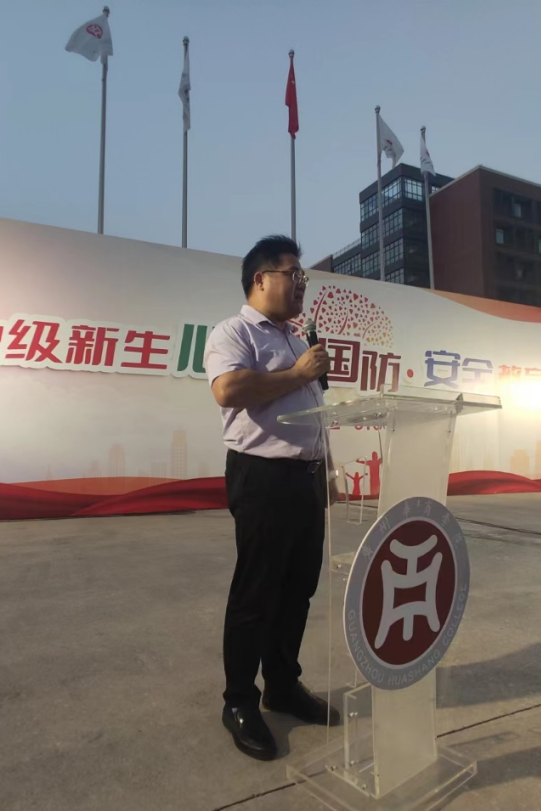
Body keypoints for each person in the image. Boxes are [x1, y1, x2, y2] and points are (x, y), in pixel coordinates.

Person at [204, 235, 338, 761]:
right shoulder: (233, 332)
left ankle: (282, 686)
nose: (302, 284)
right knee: (256, 593)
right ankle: (239, 701)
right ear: (261, 279)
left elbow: (314, 413)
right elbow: (229, 390)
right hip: (261, 476)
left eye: (304, 276)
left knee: (298, 589)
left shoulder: (297, 339)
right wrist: (297, 373)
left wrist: (327, 472)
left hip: (306, 478)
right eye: (293, 274)